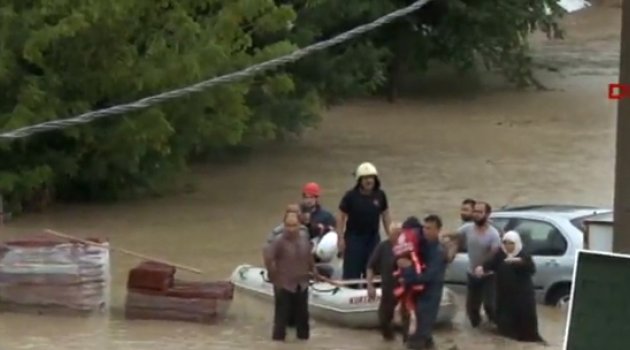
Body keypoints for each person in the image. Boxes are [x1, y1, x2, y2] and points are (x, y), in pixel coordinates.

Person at [476, 231, 546, 344]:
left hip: (522, 297)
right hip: (504, 296)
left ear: (516, 243)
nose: (508, 246)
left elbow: (531, 269)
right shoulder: (500, 254)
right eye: (505, 242)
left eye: (511, 243)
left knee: (525, 324)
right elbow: (491, 264)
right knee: (505, 326)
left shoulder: (523, 254)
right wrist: (482, 268)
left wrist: (520, 262)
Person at [263, 210, 319, 341]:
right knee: (281, 320)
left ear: (299, 225)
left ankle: (304, 343)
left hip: (302, 283)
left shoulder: (305, 239)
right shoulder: (278, 241)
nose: (291, 229)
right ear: (284, 225)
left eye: (294, 225)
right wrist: (273, 275)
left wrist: (314, 270)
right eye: (288, 225)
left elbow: (309, 256)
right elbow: (268, 258)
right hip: (284, 284)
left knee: (303, 319)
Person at [443, 201, 501, 328]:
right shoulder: (468, 228)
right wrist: (442, 235)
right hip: (472, 274)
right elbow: (455, 235)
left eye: (480, 212)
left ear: (487, 214)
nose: (476, 215)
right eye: (475, 211)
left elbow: (494, 253)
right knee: (471, 309)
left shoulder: (493, 234)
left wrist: (483, 266)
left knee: (490, 305)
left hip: (489, 275)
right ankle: (477, 331)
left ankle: (497, 329)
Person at [400, 215, 453, 349]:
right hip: (419, 295)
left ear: (438, 230)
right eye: (424, 228)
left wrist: (407, 272)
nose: (425, 231)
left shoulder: (438, 251)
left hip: (429, 296)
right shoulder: (423, 244)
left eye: (429, 228)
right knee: (422, 334)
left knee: (418, 335)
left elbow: (427, 276)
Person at [337, 162, 391, 281]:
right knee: (352, 272)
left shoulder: (380, 195)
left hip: (373, 238)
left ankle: (373, 291)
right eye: (365, 178)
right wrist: (340, 238)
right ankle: (351, 291)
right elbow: (341, 217)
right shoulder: (350, 196)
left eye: (371, 178)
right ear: (359, 180)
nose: (369, 181)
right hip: (354, 239)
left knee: (374, 269)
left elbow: (386, 216)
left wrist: (392, 236)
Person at [366, 222, 402, 341]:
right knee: (383, 320)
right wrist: (370, 286)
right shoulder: (383, 247)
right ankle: (389, 341)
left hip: (404, 290)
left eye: (399, 234)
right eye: (395, 234)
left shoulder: (407, 247)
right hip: (388, 290)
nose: (397, 236)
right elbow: (370, 266)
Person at [392, 225, 426, 338]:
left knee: (406, 300)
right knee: (407, 300)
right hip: (411, 280)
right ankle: (407, 316)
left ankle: (406, 316)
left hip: (408, 280)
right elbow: (417, 266)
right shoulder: (413, 252)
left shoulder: (403, 249)